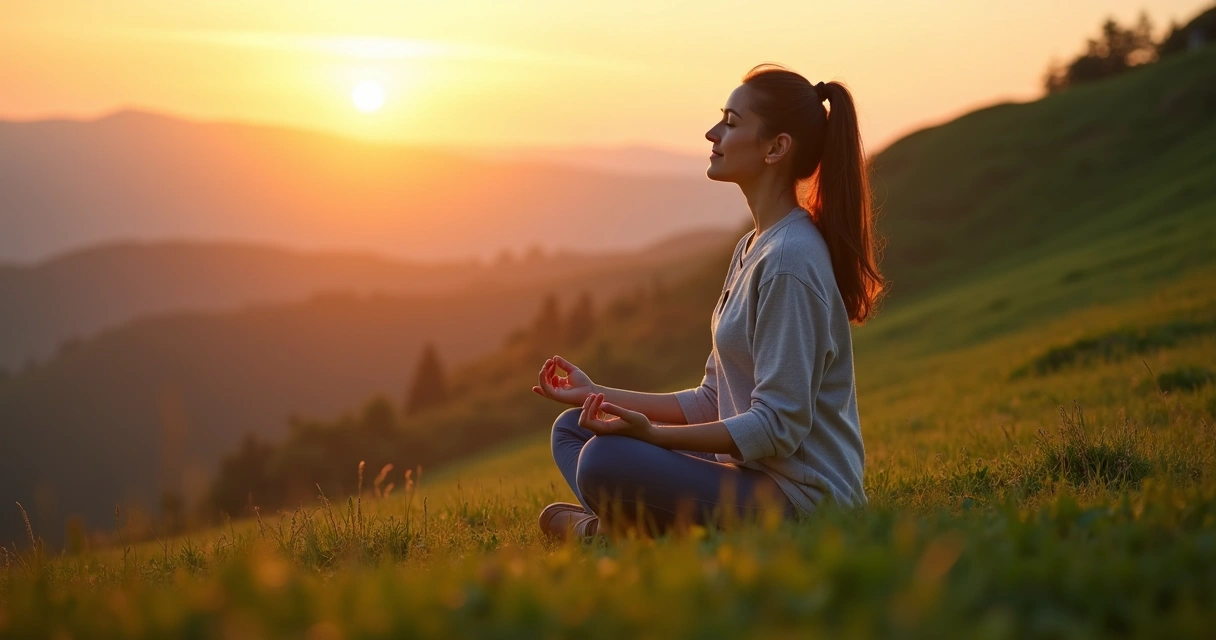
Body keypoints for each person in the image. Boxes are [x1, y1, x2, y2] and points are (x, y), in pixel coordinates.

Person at [532, 63, 886, 540]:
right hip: (745, 473)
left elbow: (777, 427)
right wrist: (598, 393)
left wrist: (652, 436)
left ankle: (609, 534)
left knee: (603, 457)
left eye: (732, 122)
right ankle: (625, 528)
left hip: (800, 501)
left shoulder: (789, 263)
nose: (712, 132)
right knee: (574, 428)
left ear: (776, 148)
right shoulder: (752, 248)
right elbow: (711, 400)